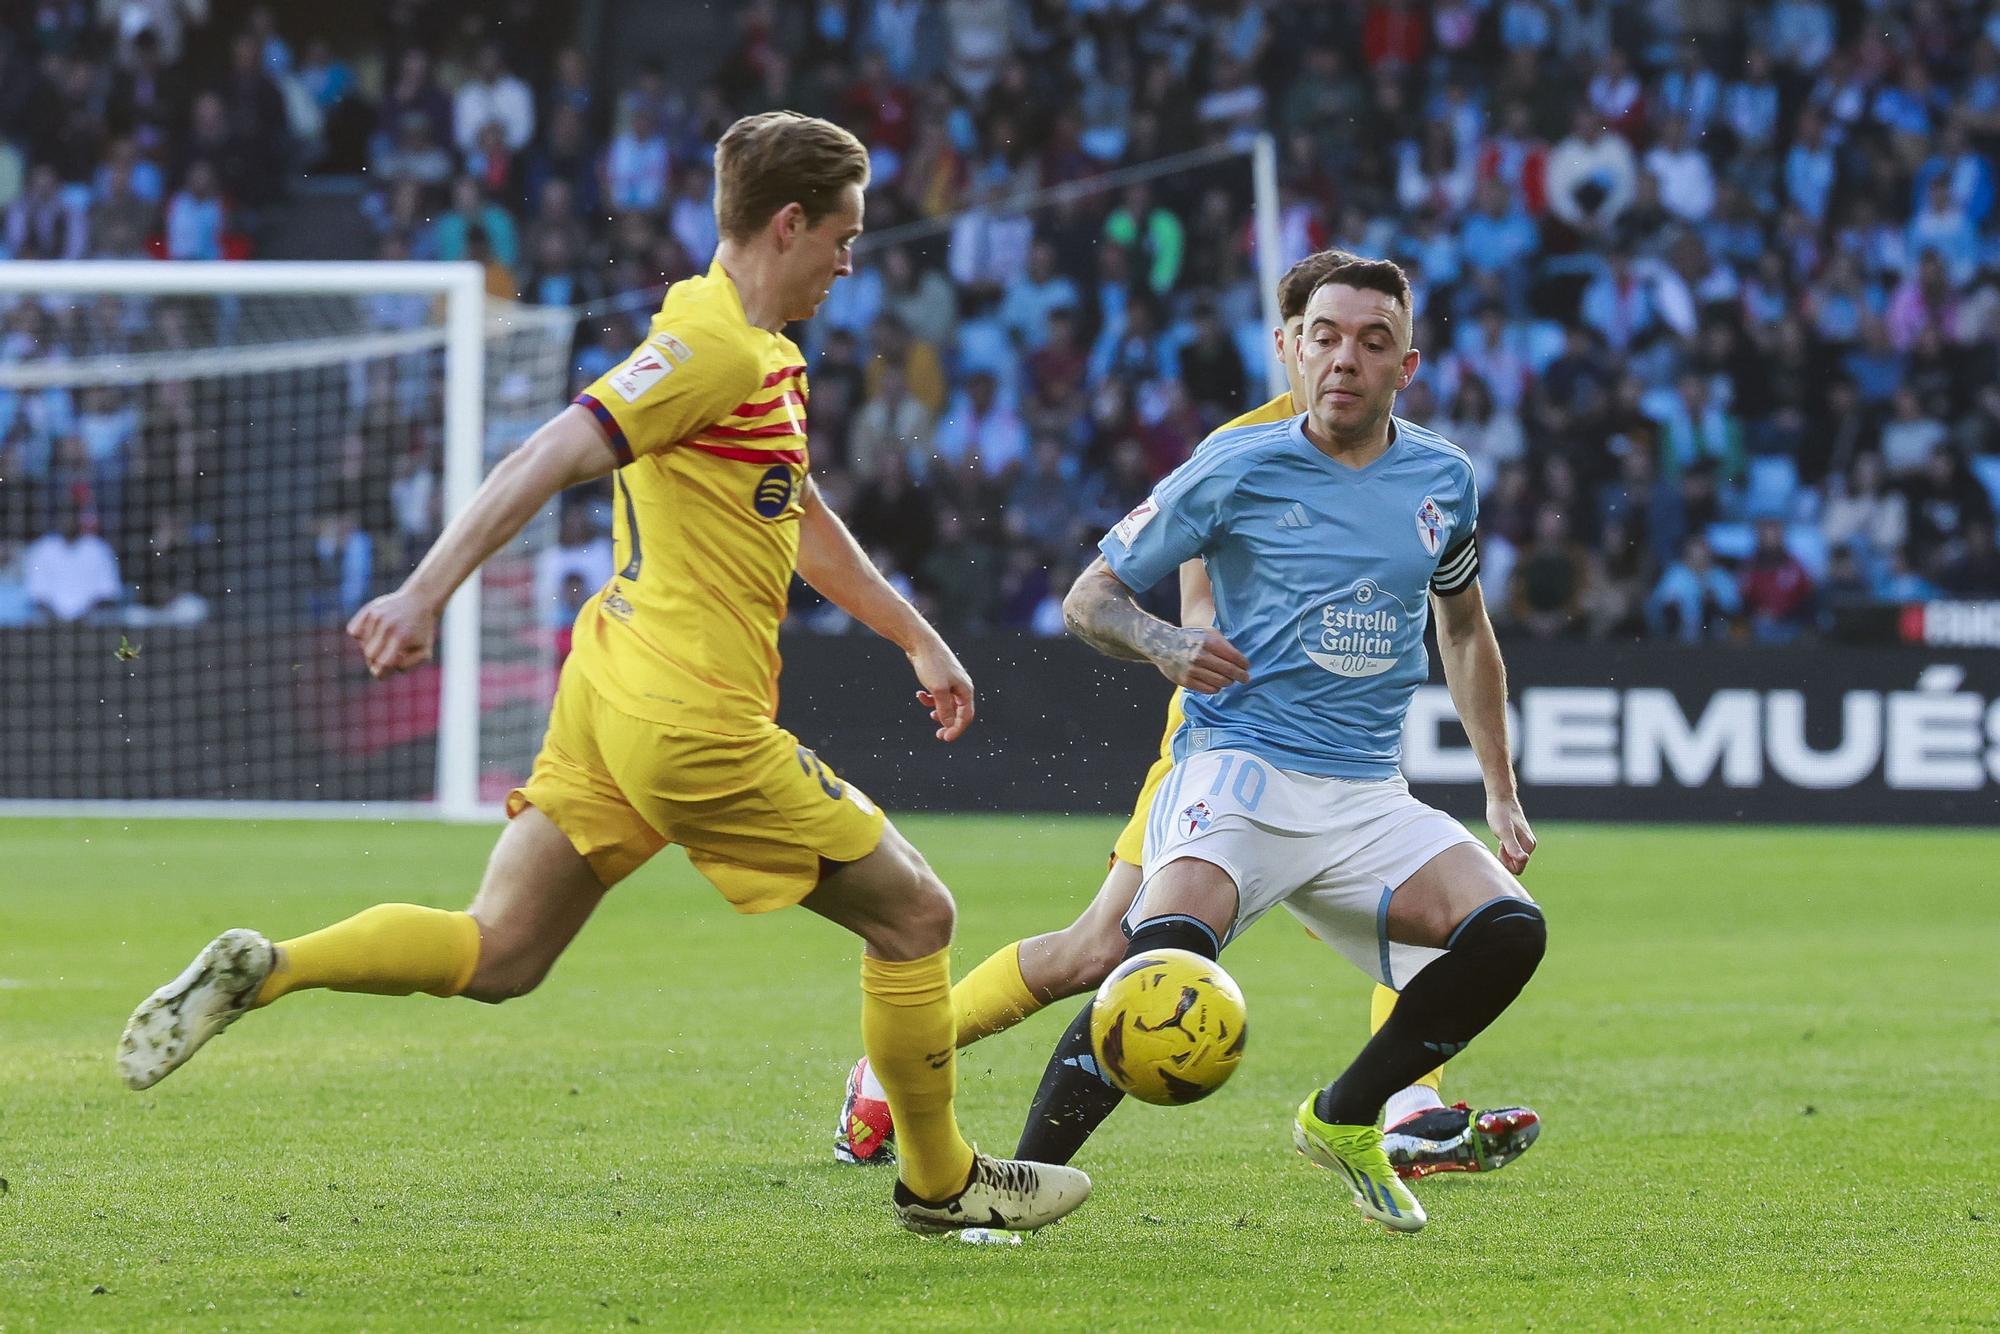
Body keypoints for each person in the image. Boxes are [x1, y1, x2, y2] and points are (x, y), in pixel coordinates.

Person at [115, 111, 1088, 1238]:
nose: (850, 258)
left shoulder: (753, 349)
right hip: (692, 722)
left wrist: (912, 632)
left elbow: (798, 513)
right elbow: (549, 451)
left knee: (500, 950)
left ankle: (270, 966)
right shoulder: (710, 348)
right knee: (917, 914)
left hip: (610, 688)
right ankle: (938, 1177)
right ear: (787, 223)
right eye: (842, 234)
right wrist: (425, 591)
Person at [837, 251, 1542, 1187]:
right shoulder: (1240, 456)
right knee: (1115, 955)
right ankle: (940, 1122)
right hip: (1231, 760)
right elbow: (1121, 598)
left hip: (1362, 785)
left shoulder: (1442, 478)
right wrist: (1173, 643)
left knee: (1488, 927)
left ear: (1405, 364)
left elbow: (1463, 627)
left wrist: (1500, 789)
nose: (1343, 360)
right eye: (1323, 337)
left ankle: (1375, 1112)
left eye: (1373, 343)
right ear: (1289, 345)